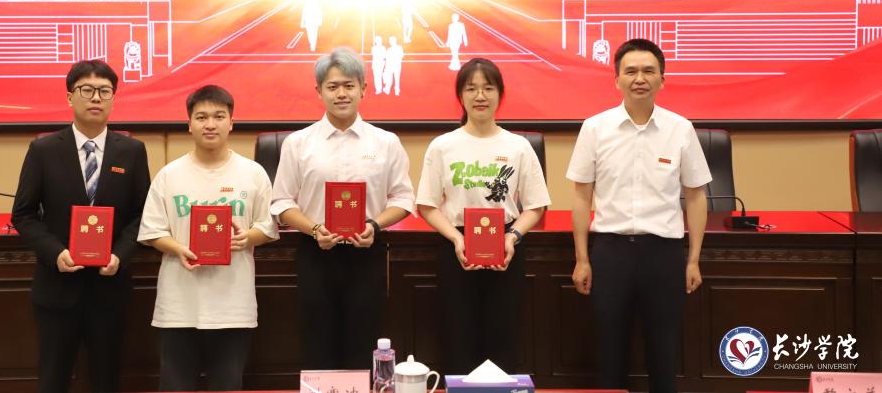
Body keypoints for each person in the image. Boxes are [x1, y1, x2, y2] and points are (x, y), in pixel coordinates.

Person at [566, 39, 711, 393]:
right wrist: (582, 259)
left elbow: (696, 196)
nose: (640, 79)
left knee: (664, 352)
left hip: (663, 254)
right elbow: (582, 196)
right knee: (609, 351)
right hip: (610, 252)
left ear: (662, 79)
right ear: (617, 79)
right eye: (630, 71)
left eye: (649, 71)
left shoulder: (680, 129)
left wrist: (693, 259)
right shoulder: (595, 128)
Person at [11, 59, 151, 393]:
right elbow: (23, 214)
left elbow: (143, 215)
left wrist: (119, 255)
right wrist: (55, 253)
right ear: (70, 97)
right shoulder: (43, 150)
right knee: (53, 380)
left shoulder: (132, 151)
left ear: (113, 98)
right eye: (86, 90)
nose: (96, 98)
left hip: (109, 288)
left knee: (106, 380)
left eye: (105, 91)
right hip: (57, 288)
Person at [270, 47, 415, 369]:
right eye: (332, 86)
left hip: (367, 253)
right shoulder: (298, 143)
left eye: (349, 85)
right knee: (317, 341)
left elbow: (403, 198)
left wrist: (374, 226)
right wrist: (314, 229)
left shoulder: (386, 142)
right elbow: (281, 202)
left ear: (363, 89)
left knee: (364, 340)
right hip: (316, 253)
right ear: (319, 91)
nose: (341, 94)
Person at [138, 85, 278, 391]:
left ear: (231, 122)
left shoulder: (253, 173)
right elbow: (152, 231)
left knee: (227, 386)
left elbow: (268, 227)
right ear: (189, 124)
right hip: (178, 307)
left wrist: (247, 238)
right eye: (201, 117)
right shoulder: (169, 175)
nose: (210, 124)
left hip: (233, 307)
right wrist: (178, 248)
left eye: (219, 116)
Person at [416, 58, 550, 375]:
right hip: (456, 246)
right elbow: (427, 205)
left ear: (500, 94)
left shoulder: (518, 146)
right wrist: (456, 238)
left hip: (505, 246)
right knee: (458, 337)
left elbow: (536, 205)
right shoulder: (443, 146)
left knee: (503, 337)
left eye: (488, 88)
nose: (480, 96)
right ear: (460, 96)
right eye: (471, 89)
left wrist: (512, 237)